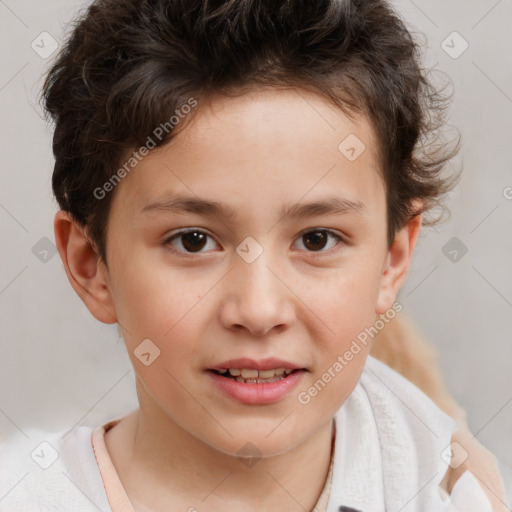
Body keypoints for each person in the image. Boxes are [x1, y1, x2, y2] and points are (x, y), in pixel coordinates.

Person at [0, 0, 508, 510]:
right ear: (93, 267)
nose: (260, 310)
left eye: (317, 239)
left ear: (392, 258)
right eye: (193, 241)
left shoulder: (443, 485)